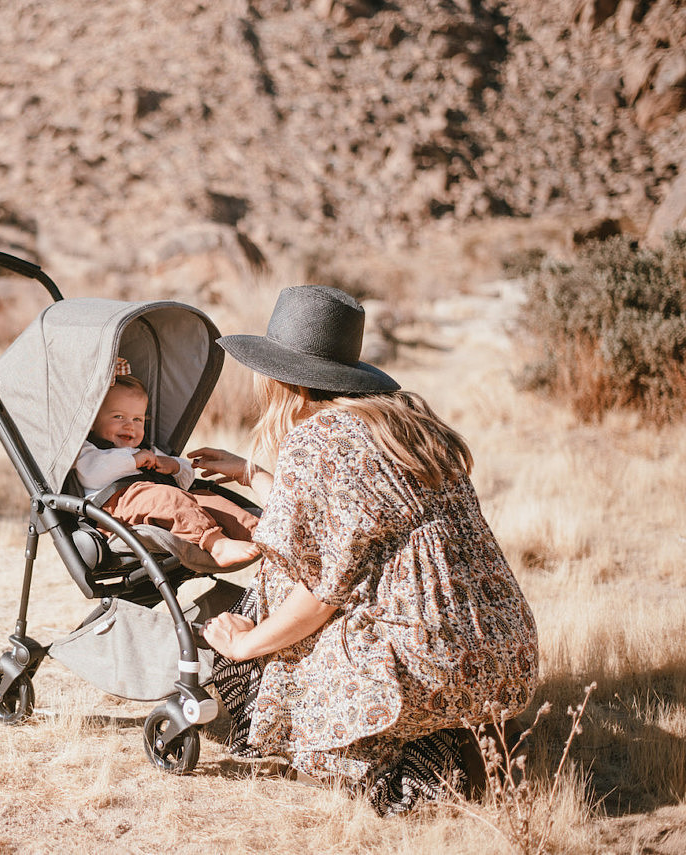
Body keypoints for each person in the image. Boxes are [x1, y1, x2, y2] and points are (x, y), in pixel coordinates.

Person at [190, 284, 539, 815]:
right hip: (503, 648)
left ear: (280, 377)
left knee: (273, 594)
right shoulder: (403, 419)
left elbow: (320, 590)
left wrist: (247, 645)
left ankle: (419, 757)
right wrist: (249, 473)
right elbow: (344, 523)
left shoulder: (317, 438)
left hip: (423, 661)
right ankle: (460, 732)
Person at [74, 362, 262, 568]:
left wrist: (173, 466)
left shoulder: (147, 449)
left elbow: (185, 478)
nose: (130, 425)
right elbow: (91, 473)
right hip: (118, 507)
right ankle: (215, 543)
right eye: (118, 417)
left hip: (160, 497)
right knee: (168, 497)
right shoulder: (89, 450)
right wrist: (133, 461)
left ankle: (259, 532)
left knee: (207, 499)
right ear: (92, 421)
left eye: (137, 419)